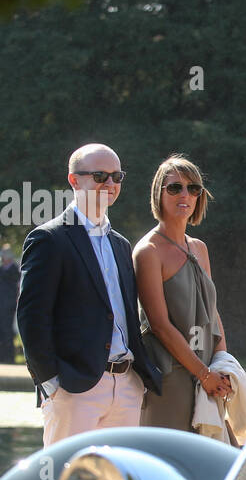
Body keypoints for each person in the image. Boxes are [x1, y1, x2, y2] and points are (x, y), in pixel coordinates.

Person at [17, 143, 160, 445]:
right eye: (100, 176)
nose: (110, 184)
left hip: (126, 386)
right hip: (74, 389)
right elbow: (32, 318)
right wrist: (51, 384)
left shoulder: (121, 245)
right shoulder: (49, 239)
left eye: (117, 177)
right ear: (74, 180)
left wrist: (136, 381)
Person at [134, 154, 232, 431]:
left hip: (208, 373)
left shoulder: (199, 248)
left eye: (193, 188)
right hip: (170, 376)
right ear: (158, 193)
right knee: (168, 459)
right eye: (175, 187)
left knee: (214, 458)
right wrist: (203, 373)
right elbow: (160, 325)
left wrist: (222, 364)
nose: (185, 195)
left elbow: (211, 311)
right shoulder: (148, 252)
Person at [0, 242, 20, 363]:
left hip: (7, 307)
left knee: (7, 332)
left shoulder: (13, 270)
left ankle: (8, 357)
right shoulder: (0, 269)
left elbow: (8, 276)